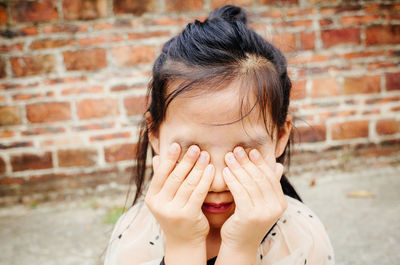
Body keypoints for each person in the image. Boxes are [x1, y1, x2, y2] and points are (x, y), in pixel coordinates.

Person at [104, 5, 334, 265]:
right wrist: (183, 245)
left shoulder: (300, 240)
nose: (217, 183)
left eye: (243, 153)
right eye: (194, 153)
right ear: (155, 133)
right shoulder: (135, 238)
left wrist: (241, 246)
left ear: (280, 136)